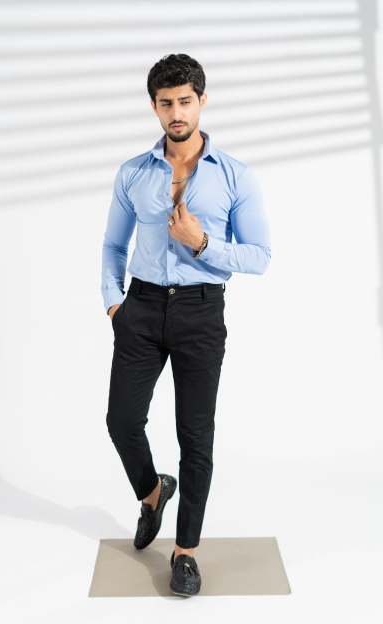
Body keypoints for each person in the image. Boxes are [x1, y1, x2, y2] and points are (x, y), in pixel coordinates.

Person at [101, 53, 271, 597]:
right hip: (142, 308)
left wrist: (202, 244)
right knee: (122, 420)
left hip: (201, 310)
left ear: (202, 101)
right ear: (154, 107)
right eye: (165, 103)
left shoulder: (235, 175)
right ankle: (153, 493)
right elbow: (113, 245)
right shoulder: (133, 172)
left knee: (195, 436)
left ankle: (185, 552)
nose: (176, 112)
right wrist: (115, 304)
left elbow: (260, 255)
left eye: (185, 101)